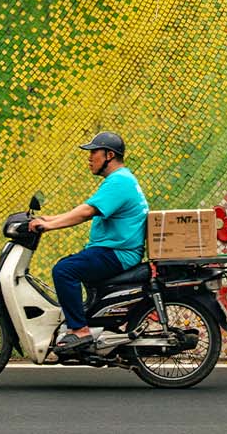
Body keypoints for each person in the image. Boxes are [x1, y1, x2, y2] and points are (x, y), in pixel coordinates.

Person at [29, 131, 149, 353]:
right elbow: (85, 208)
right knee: (76, 265)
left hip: (118, 253)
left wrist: (49, 225)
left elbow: (86, 212)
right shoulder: (119, 180)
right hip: (114, 250)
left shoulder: (119, 182)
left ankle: (80, 331)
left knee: (64, 270)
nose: (89, 157)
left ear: (109, 155)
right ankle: (89, 325)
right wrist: (48, 219)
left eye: (94, 152)